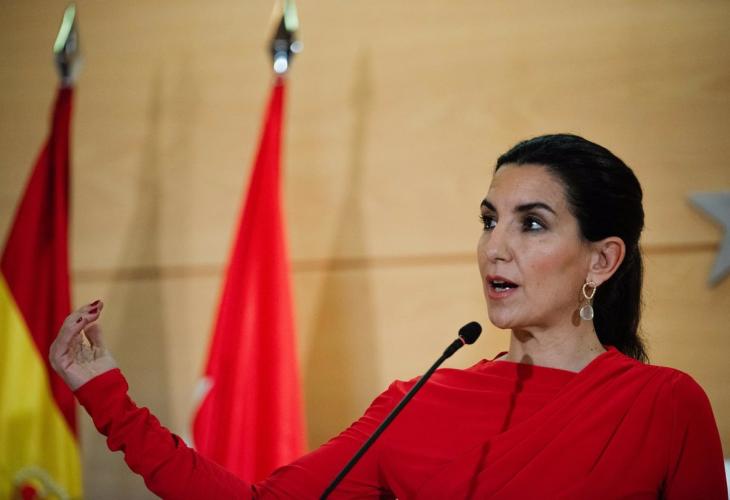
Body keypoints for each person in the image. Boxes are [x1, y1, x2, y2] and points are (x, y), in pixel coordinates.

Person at [50, 134, 727, 498]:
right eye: (489, 220)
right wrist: (108, 397)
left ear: (602, 259)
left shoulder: (665, 406)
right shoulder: (417, 402)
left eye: (531, 223)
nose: (495, 246)